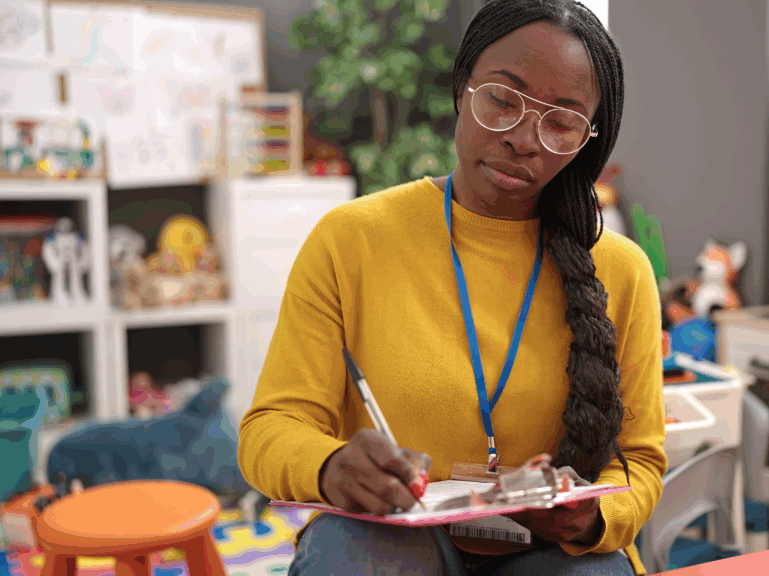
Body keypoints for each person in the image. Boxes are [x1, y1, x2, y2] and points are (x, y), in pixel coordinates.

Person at [238, 0, 667, 574]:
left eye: (561, 121)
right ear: (462, 89)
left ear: (587, 138)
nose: (523, 138)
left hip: (548, 552)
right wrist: (329, 464)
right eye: (502, 99)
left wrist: (590, 518)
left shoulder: (623, 270)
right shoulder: (351, 239)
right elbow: (270, 427)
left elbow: (639, 462)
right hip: (392, 534)